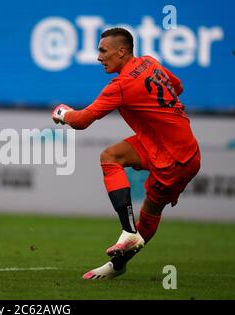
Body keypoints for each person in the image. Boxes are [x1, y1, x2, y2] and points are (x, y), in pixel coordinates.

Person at [52, 28, 201, 280]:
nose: (99, 57)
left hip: (176, 160)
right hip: (169, 145)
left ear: (121, 51)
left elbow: (81, 120)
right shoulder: (149, 62)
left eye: (103, 51)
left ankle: (120, 259)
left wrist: (63, 113)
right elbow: (178, 86)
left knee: (151, 212)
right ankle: (125, 245)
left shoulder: (120, 86)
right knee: (110, 156)